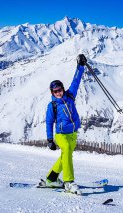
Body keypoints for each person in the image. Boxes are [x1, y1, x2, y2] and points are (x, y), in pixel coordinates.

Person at [39, 54, 87, 194]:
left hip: (73, 133)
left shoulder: (70, 95)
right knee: (66, 150)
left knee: (65, 157)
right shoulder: (52, 105)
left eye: (60, 90)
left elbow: (76, 80)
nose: (58, 93)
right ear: (52, 92)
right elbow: (49, 123)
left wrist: (81, 66)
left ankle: (51, 178)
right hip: (61, 135)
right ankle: (68, 182)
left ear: (63, 89)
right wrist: (50, 140)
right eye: (55, 91)